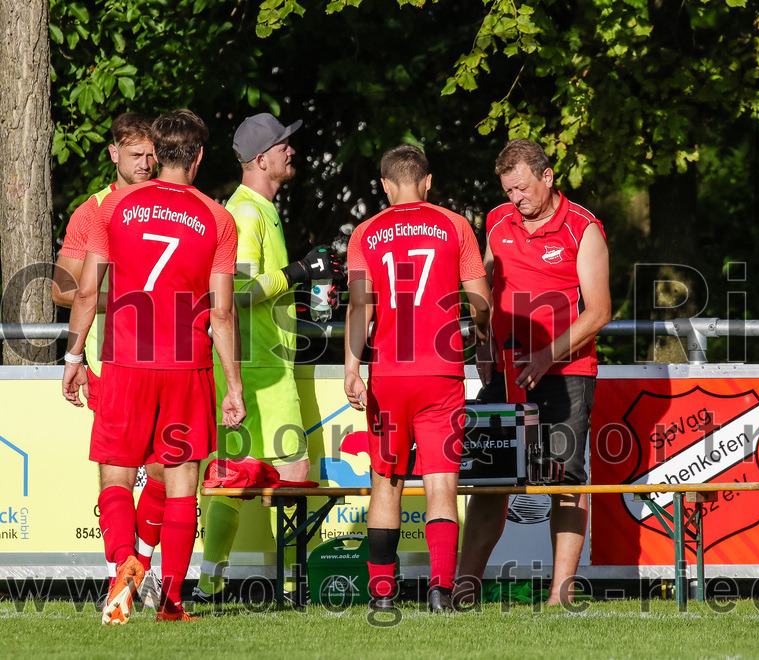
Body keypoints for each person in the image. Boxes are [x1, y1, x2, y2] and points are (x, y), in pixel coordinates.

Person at [62, 109, 245, 624]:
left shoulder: (114, 207)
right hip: (187, 365)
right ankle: (171, 602)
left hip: (124, 361)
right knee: (183, 484)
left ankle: (123, 563)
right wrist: (233, 385)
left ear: (156, 153)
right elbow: (223, 311)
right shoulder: (216, 216)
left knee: (116, 473)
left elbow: (88, 291)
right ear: (200, 156)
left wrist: (75, 358)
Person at [455, 138, 611, 606]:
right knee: (491, 481)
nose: (514, 199)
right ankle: (464, 589)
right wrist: (482, 344)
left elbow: (599, 310)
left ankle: (560, 595)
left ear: (547, 177)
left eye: (521, 189)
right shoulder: (498, 221)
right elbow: (483, 290)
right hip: (504, 374)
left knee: (565, 479)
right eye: (507, 191)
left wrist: (547, 355)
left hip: (567, 375)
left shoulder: (584, 229)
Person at [193, 113, 341, 605]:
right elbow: (237, 293)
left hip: (264, 368)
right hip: (257, 374)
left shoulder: (260, 209)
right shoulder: (244, 214)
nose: (291, 151)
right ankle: (291, 586)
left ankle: (215, 583)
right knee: (283, 473)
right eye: (283, 146)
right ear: (261, 159)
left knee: (234, 476)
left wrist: (310, 288)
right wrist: (299, 270)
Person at [345, 144, 490, 612]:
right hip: (441, 374)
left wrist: (352, 368)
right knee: (441, 486)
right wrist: (481, 337)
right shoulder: (455, 225)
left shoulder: (365, 233)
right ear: (427, 182)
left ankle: (383, 595)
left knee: (385, 484)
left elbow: (359, 307)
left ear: (386, 186)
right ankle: (441, 592)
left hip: (388, 375)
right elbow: (480, 302)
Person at [51, 113, 167, 608]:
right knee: (116, 474)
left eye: (152, 156)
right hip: (115, 364)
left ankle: (135, 570)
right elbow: (60, 287)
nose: (145, 165)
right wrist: (121, 298)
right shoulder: (93, 211)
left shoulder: (175, 205)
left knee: (164, 474)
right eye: (136, 155)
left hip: (172, 361)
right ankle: (124, 573)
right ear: (114, 154)